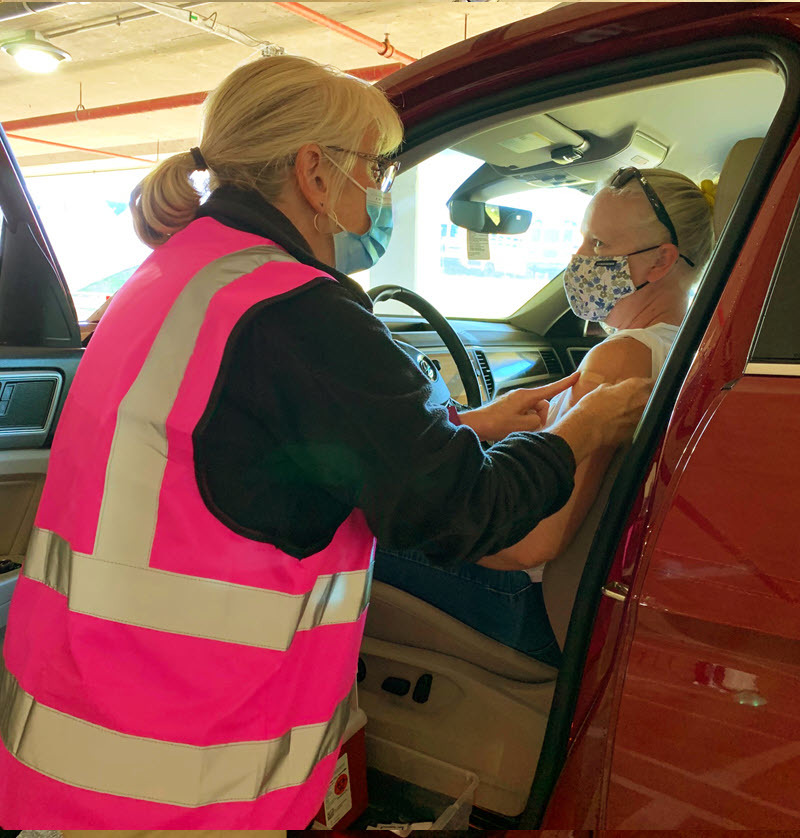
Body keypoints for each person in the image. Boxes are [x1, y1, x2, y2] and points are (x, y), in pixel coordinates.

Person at [0, 55, 649, 829]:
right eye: (375, 167)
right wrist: (585, 431)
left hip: (87, 714)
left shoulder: (178, 275)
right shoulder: (301, 315)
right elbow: (458, 510)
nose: (381, 190)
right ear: (315, 172)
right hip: (182, 759)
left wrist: (461, 428)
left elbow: (251, 451)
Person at [374, 167, 715, 665]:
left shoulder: (619, 359)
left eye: (598, 245)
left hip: (524, 600)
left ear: (660, 262)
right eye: (581, 239)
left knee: (350, 526)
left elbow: (538, 541)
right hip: (575, 602)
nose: (578, 259)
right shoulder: (691, 348)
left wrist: (428, 526)